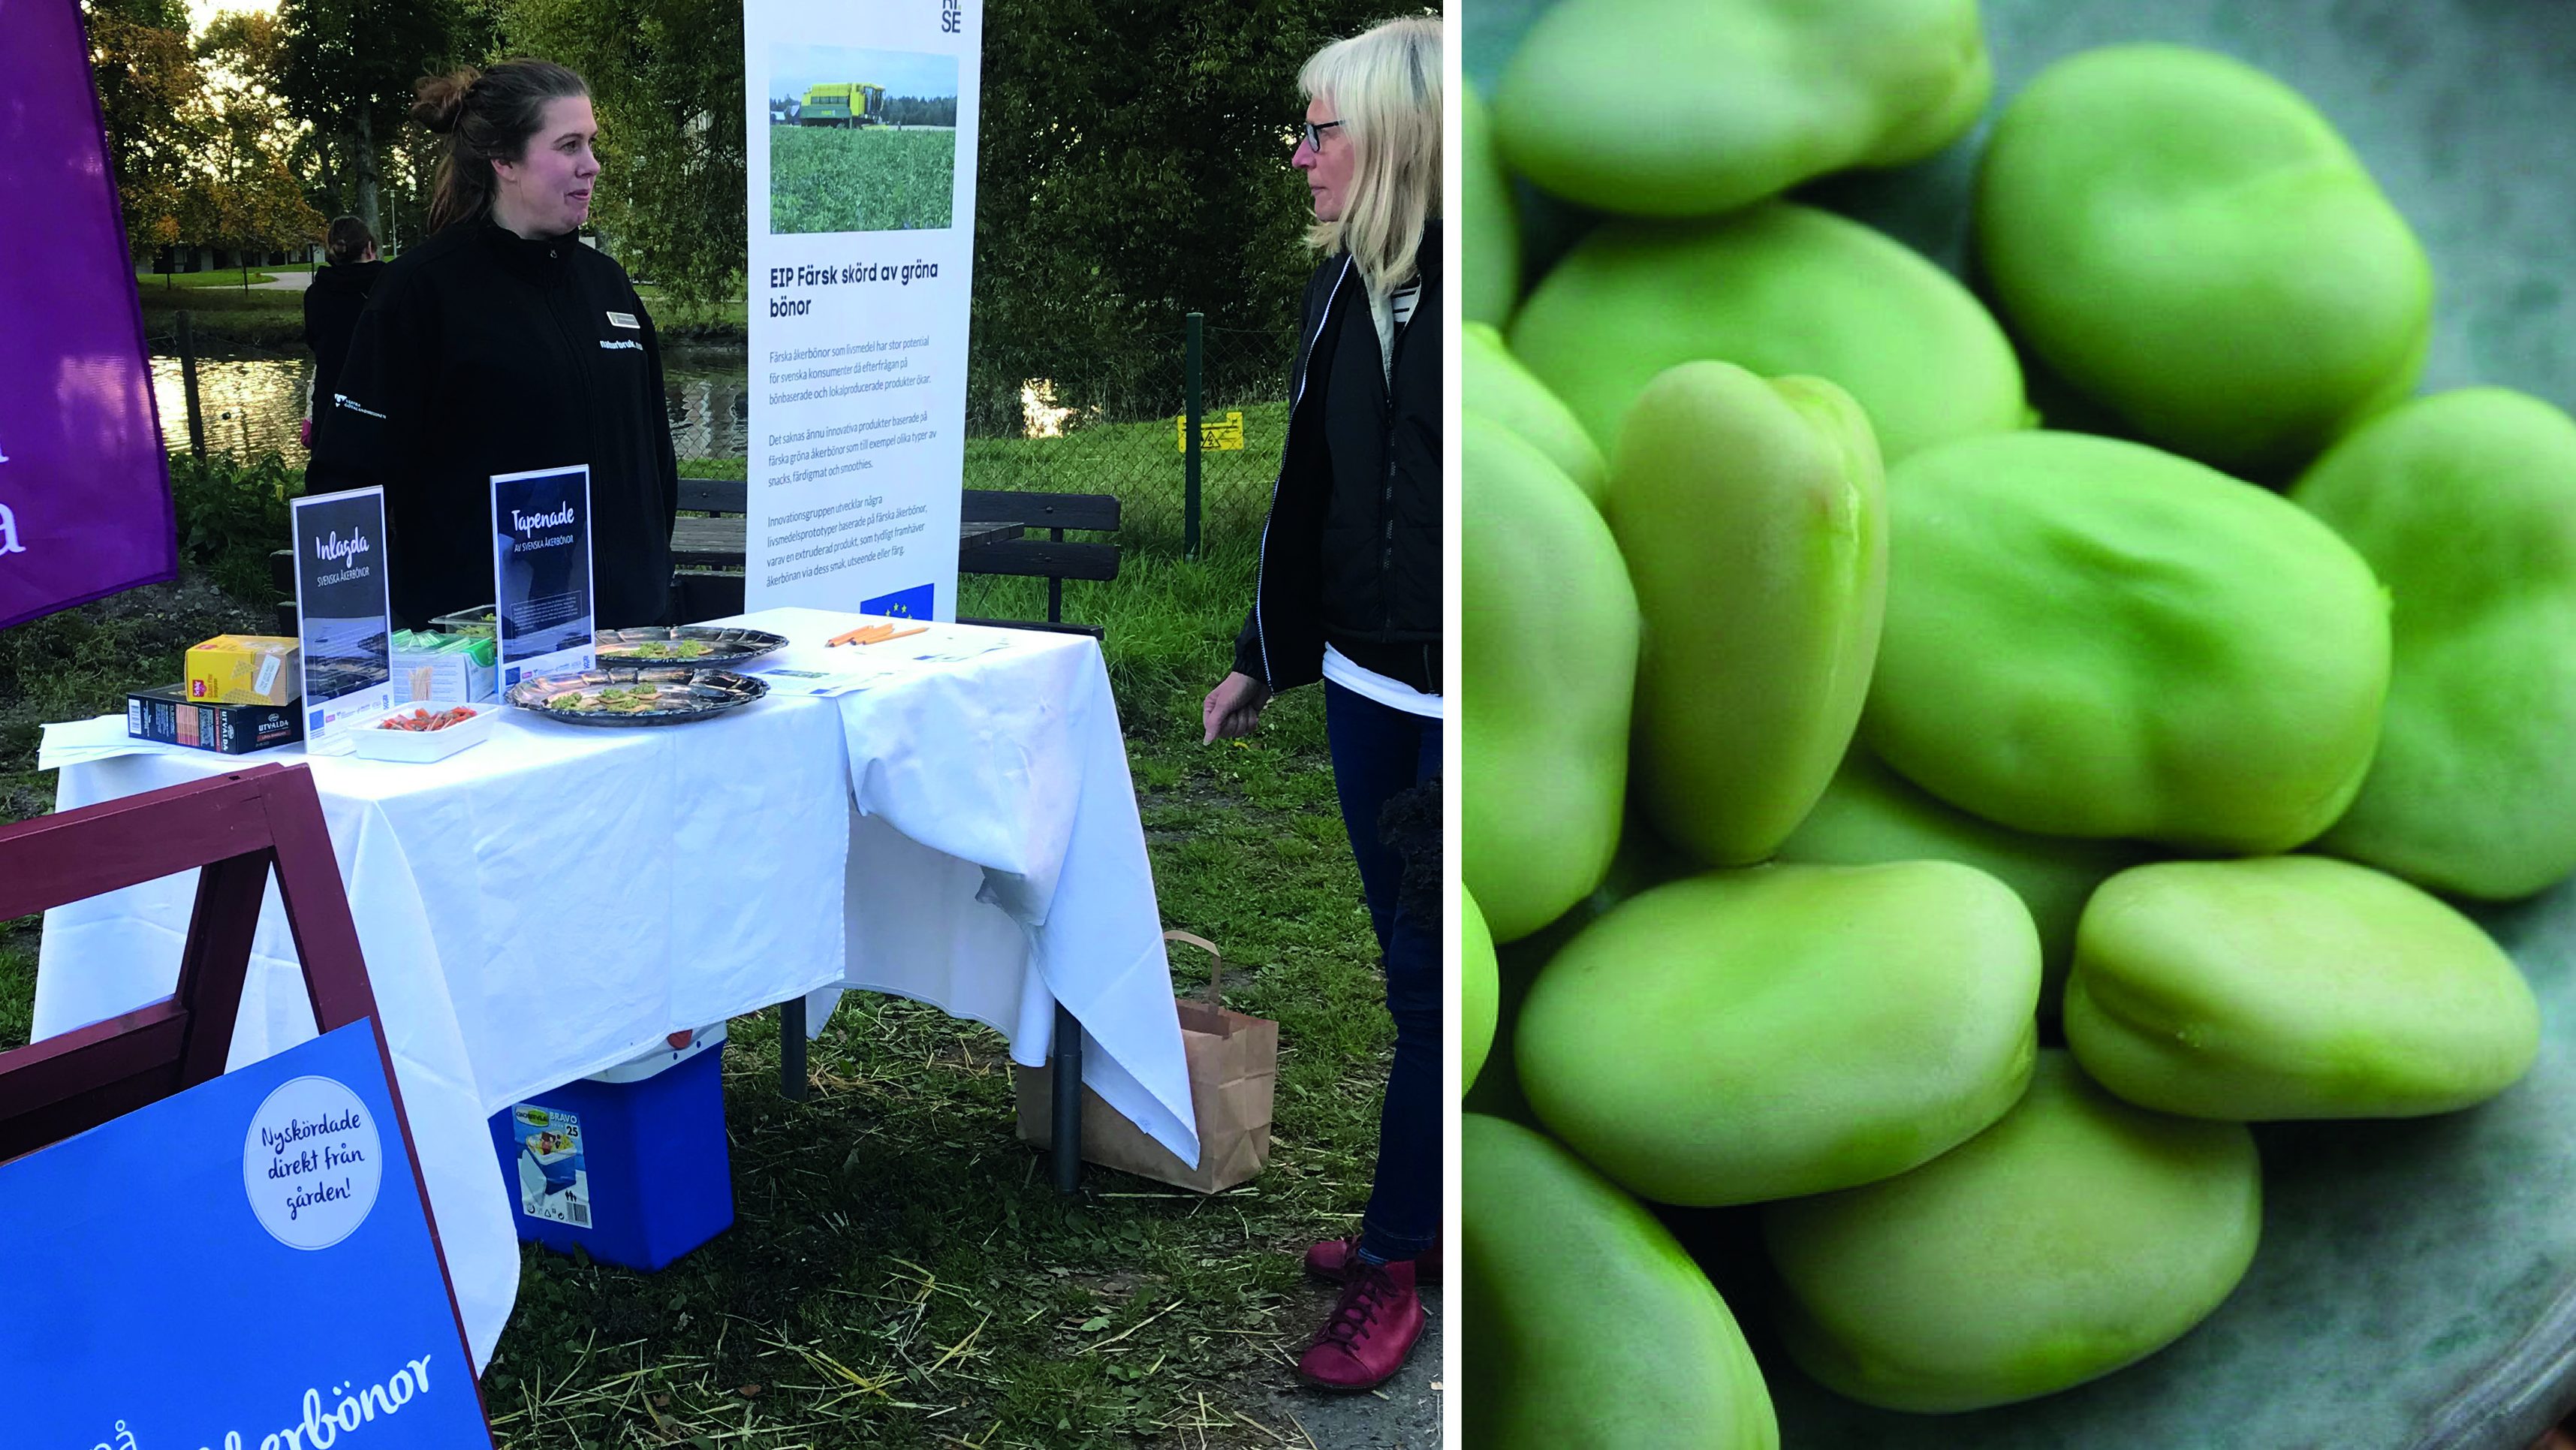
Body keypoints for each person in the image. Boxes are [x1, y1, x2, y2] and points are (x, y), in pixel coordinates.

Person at [1201, 16, 1442, 1394]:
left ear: (1398, 135)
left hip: (1456, 709)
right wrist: (1263, 652)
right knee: (1403, 967)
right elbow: (1312, 500)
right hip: (1363, 687)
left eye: (1320, 129)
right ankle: (1420, 1211)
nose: (1299, 156)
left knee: (1421, 984)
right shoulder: (1342, 291)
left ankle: (1399, 1258)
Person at [309, 59, 679, 631]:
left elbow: (654, 453)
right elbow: (348, 482)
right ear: (504, 160)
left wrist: (648, 576)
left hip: (632, 640)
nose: (592, 165)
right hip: (485, 653)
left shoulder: (607, 283)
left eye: (591, 143)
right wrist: (370, 644)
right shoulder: (422, 289)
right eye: (569, 145)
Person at [301, 216, 384, 450]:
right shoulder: (390, 286)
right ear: (370, 248)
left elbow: (314, 341)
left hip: (331, 405)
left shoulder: (315, 294)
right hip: (381, 405)